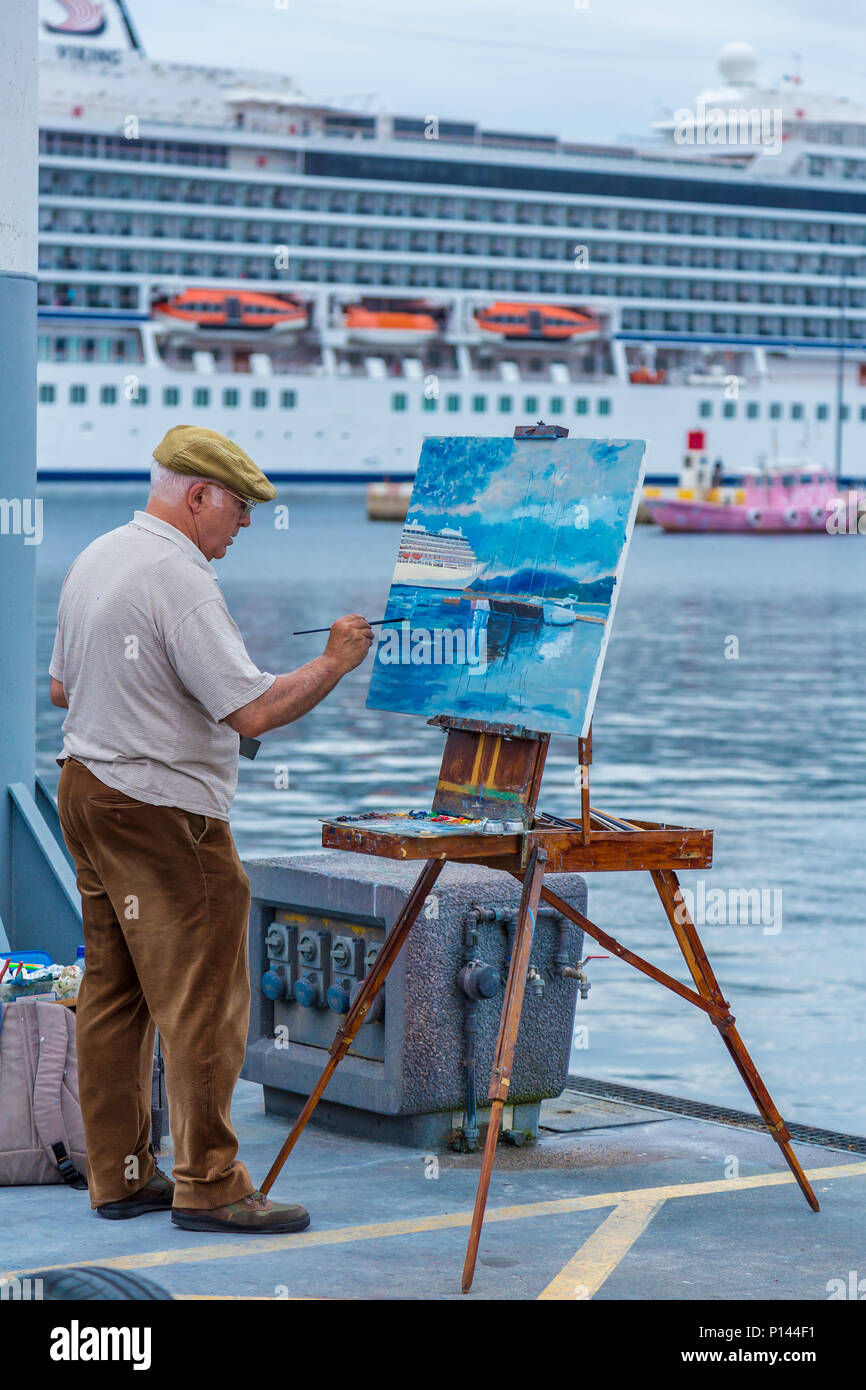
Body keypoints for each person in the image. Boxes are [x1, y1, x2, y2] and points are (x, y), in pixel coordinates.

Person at [49, 425, 373, 1233]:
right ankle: (210, 1184)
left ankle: (122, 1177)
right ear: (198, 496)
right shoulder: (179, 578)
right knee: (203, 1000)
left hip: (87, 792)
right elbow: (257, 708)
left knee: (114, 994)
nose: (248, 524)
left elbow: (62, 688)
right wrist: (334, 661)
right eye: (240, 507)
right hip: (163, 815)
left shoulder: (100, 555)